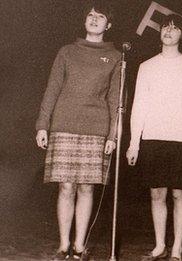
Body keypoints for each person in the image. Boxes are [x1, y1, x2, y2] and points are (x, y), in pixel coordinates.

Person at [35, 2, 120, 260]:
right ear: (84, 20)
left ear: (109, 24)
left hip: (96, 128)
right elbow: (52, 89)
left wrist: (113, 135)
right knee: (66, 187)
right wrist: (42, 124)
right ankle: (63, 245)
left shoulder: (116, 57)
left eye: (100, 16)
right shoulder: (67, 52)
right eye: (90, 15)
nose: (94, 19)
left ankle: (79, 245)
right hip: (63, 126)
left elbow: (116, 99)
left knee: (86, 188)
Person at [126, 14, 182, 261]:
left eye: (175, 28)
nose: (169, 31)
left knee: (180, 194)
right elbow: (138, 107)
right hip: (154, 137)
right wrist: (134, 143)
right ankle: (159, 245)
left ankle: (177, 248)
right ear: (160, 32)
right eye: (165, 27)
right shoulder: (146, 66)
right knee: (157, 194)